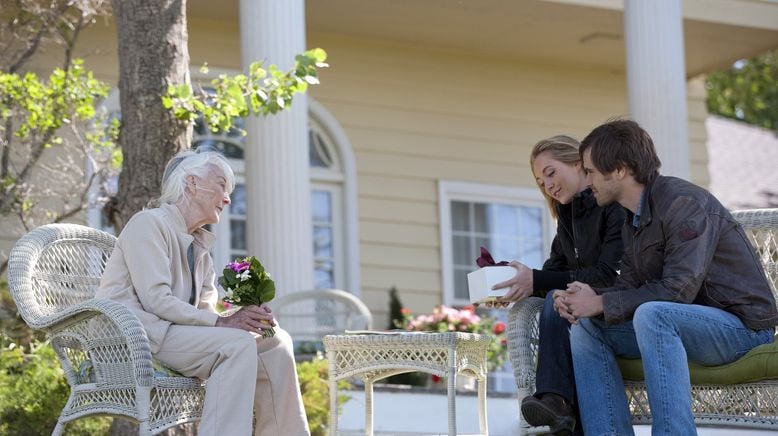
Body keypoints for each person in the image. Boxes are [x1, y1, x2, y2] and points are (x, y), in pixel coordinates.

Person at [558, 119, 778, 435]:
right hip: (680, 325)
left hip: (740, 329)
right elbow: (628, 290)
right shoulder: (632, 219)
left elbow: (678, 290)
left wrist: (602, 300)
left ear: (619, 170)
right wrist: (587, 300)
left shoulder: (683, 203)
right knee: (588, 327)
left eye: (590, 171)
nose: (586, 179)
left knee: (653, 314)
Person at [97, 150, 310, 436]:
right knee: (236, 344)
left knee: (275, 341)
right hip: (138, 336)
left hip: (175, 336)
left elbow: (206, 313)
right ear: (192, 183)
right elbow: (155, 299)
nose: (228, 198)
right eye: (222, 184)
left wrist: (241, 319)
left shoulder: (199, 246)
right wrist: (224, 325)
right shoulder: (148, 224)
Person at [494, 135, 625, 435]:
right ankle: (559, 411)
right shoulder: (567, 218)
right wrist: (517, 286)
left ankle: (555, 400)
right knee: (556, 295)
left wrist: (539, 281)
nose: (547, 185)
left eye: (551, 172)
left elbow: (608, 274)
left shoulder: (612, 206)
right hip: (580, 320)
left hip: (617, 309)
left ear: (578, 162)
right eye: (540, 182)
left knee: (558, 294)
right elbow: (552, 271)